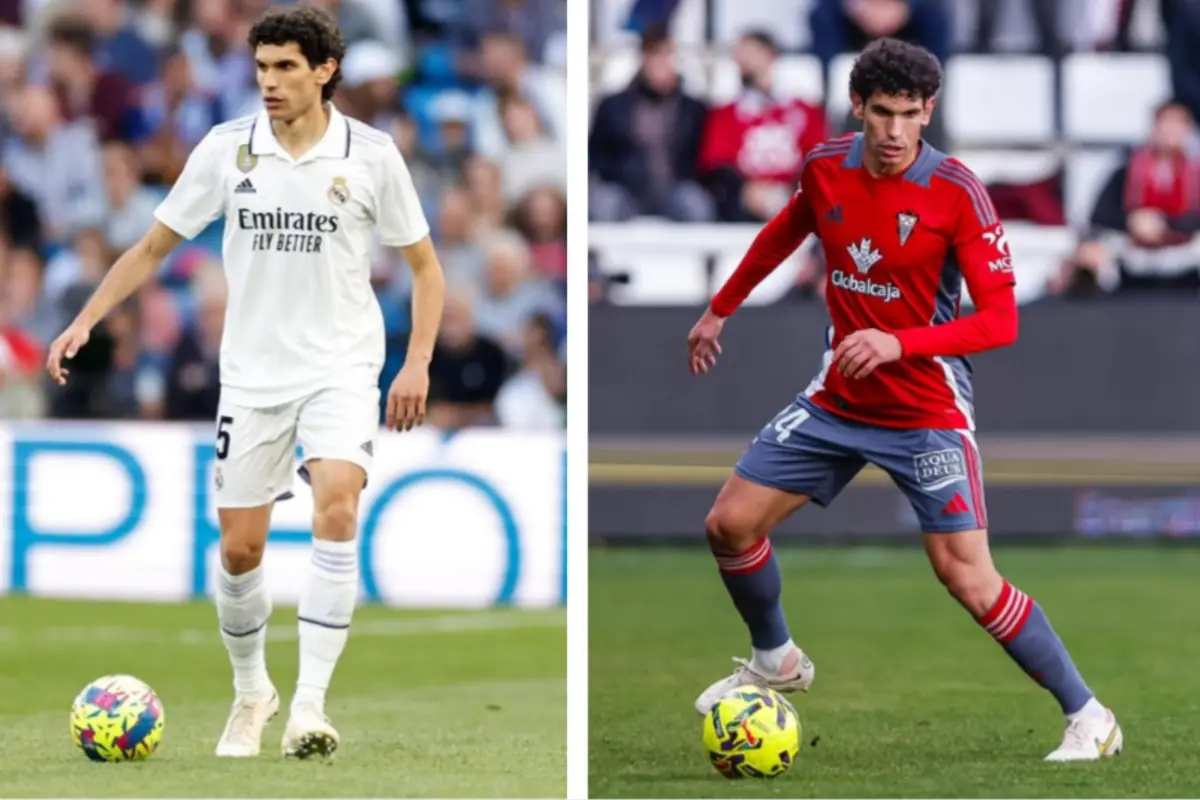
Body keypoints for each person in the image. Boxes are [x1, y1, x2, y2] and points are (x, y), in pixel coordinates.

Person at [685, 37, 1121, 763]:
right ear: (858, 106)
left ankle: (1091, 716)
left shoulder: (957, 191)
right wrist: (719, 308)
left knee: (968, 578)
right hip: (838, 399)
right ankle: (775, 659)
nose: (894, 131)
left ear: (929, 112)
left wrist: (899, 342)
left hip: (925, 410)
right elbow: (787, 229)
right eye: (882, 112)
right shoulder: (826, 166)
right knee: (728, 524)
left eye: (909, 114)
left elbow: (1000, 322)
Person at [44, 5, 445, 761]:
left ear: (325, 70)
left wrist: (417, 360)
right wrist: (87, 319)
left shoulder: (371, 155)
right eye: (262, 67)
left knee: (337, 505)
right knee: (238, 551)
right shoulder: (228, 149)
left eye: (286, 67)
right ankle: (252, 691)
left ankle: (310, 707)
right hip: (253, 376)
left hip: (341, 366)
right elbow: (153, 246)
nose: (270, 82)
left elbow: (425, 267)